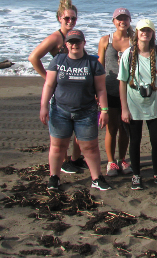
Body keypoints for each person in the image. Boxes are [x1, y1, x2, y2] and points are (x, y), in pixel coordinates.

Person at [39, 29, 111, 191]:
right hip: (59, 111)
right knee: (58, 146)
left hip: (86, 112)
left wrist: (104, 110)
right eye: (71, 42)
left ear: (84, 43)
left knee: (90, 147)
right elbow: (49, 85)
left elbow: (101, 90)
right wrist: (43, 106)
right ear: (66, 44)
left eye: (78, 42)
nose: (74, 45)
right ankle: (54, 177)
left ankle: (96, 178)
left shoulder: (93, 64)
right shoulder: (58, 60)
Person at [29, 0, 84, 174]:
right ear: (59, 18)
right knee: (63, 129)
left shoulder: (74, 36)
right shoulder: (56, 37)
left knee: (80, 126)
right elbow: (33, 57)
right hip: (61, 90)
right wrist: (47, 78)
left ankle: (75, 159)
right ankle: (63, 160)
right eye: (66, 18)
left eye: (73, 18)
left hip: (77, 88)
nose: (70, 21)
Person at [119, 19, 157, 190]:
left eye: (149, 31)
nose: (145, 33)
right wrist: (124, 109)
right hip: (133, 105)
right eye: (142, 30)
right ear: (137, 32)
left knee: (156, 140)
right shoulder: (128, 54)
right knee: (134, 140)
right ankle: (136, 175)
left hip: (155, 105)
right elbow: (122, 82)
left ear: (152, 34)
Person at [98, 8, 133, 177]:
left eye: (125, 18)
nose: (122, 21)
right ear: (113, 21)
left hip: (129, 92)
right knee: (112, 127)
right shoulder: (105, 40)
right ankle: (111, 162)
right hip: (110, 90)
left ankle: (123, 159)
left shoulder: (134, 41)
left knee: (126, 127)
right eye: (119, 19)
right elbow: (99, 67)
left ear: (129, 21)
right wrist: (97, 93)